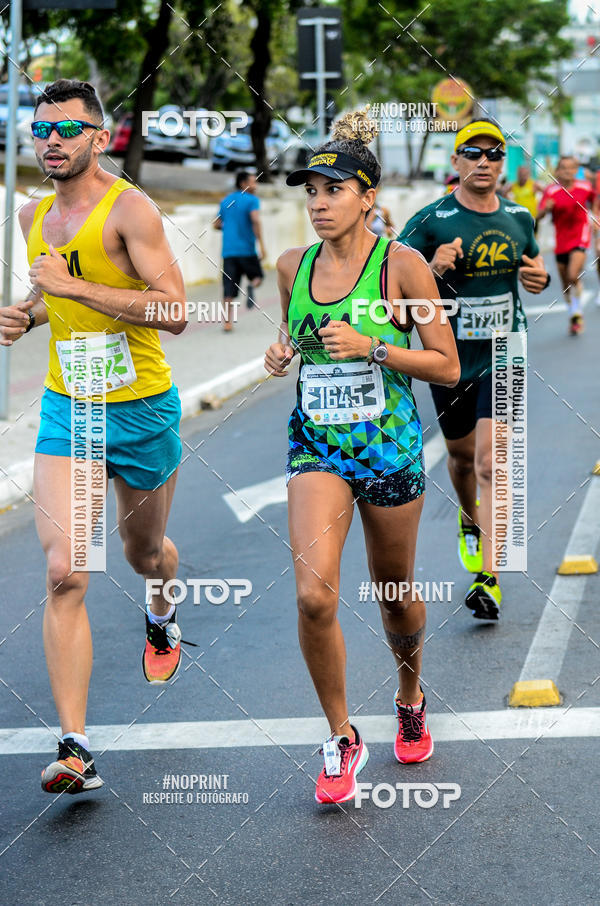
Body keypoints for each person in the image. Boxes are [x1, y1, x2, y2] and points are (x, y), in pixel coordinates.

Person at [264, 107, 459, 804]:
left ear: (368, 197)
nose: (318, 204)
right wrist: (281, 354)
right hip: (316, 446)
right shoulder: (292, 267)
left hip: (390, 450)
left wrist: (374, 346)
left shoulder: (402, 266)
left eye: (333, 190)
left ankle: (409, 692)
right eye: (310, 192)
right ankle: (342, 737)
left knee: (394, 593)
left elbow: (445, 364)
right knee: (314, 596)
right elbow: (295, 345)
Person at [0, 79, 188, 794]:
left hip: (141, 409)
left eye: (66, 130)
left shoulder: (130, 210)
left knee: (144, 554)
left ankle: (163, 609)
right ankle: (76, 745)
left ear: (97, 138)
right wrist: (28, 314)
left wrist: (74, 292)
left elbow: (175, 310)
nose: (50, 140)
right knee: (64, 570)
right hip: (69, 408)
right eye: (40, 129)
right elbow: (56, 295)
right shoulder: (31, 214)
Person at [398, 119, 549, 621]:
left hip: (506, 349)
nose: (484, 162)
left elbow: (533, 267)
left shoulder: (520, 216)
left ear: (503, 163)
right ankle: (469, 516)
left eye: (494, 154)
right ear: (456, 161)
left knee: (491, 463)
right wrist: (434, 270)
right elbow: (390, 294)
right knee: (462, 460)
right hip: (451, 356)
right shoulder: (429, 221)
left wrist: (539, 276)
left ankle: (490, 576)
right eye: (473, 153)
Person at [538, 155, 595, 334]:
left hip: (580, 236)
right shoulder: (551, 191)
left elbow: (596, 202)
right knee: (566, 283)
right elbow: (538, 216)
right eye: (563, 168)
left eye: (571, 168)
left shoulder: (585, 187)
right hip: (561, 240)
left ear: (576, 169)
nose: (567, 171)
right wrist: (546, 209)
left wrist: (596, 217)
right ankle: (574, 314)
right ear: (557, 171)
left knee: (572, 273)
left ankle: (577, 311)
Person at [214, 170, 266, 330]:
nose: (255, 185)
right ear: (243, 183)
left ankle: (227, 323)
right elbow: (255, 220)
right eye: (253, 182)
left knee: (228, 289)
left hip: (228, 251)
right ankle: (251, 285)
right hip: (247, 250)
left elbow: (216, 224)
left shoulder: (226, 201)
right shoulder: (252, 200)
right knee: (258, 277)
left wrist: (230, 227)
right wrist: (262, 245)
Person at [509, 165, 543, 234]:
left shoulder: (533, 184)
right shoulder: (514, 185)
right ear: (517, 174)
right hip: (519, 217)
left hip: (532, 217)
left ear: (528, 174)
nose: (522, 176)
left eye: (524, 174)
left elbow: (546, 193)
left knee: (533, 239)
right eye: (520, 174)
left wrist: (541, 207)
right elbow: (502, 193)